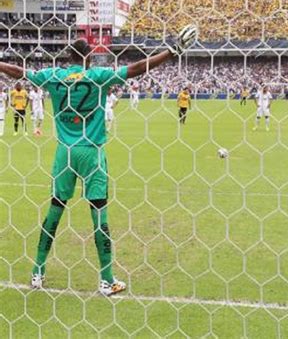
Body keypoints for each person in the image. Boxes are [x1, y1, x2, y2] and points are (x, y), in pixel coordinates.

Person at [0, 24, 197, 296]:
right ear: (88, 57)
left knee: (55, 211)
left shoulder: (53, 76)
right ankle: (106, 279)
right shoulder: (98, 76)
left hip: (64, 154)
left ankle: (37, 271)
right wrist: (172, 51)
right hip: (92, 153)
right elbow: (138, 67)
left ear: (69, 57)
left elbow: (18, 72)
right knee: (99, 214)